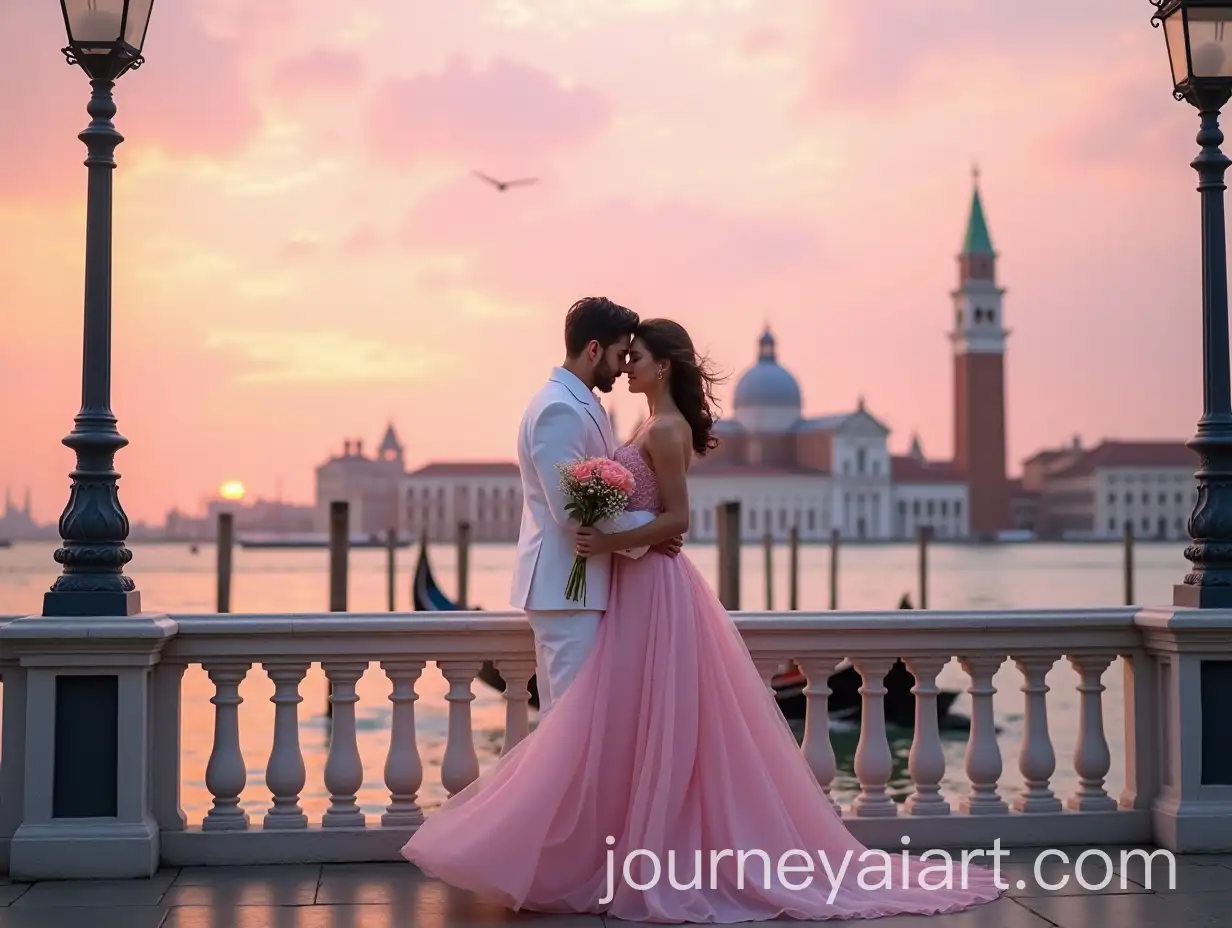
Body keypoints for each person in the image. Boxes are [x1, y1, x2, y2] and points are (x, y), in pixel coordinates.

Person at [403, 318, 1005, 922]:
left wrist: (610, 545)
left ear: (663, 365)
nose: (628, 365)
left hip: (650, 587)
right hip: (625, 589)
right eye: (624, 354)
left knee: (628, 725)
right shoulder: (638, 422)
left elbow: (679, 524)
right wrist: (614, 543)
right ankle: (600, 853)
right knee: (623, 727)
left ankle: (612, 856)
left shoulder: (666, 429)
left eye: (636, 356)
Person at [508, 296, 683, 714]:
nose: (624, 366)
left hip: (578, 593)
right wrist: (650, 532)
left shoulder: (575, 403)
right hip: (568, 591)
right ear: (593, 349)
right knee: (572, 722)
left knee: (568, 724)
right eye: (620, 353)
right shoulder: (558, 409)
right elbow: (571, 510)